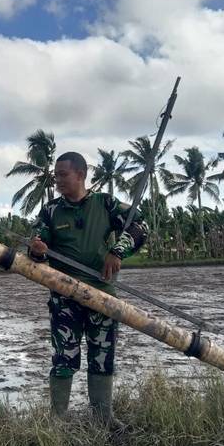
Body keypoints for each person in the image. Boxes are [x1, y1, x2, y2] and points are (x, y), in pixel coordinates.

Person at [28, 152, 148, 425]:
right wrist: (36, 251)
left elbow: (141, 225)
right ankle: (57, 420)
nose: (57, 180)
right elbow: (35, 248)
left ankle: (103, 417)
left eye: (62, 175)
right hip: (65, 297)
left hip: (102, 296)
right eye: (55, 175)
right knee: (64, 357)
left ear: (80, 175)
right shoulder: (50, 211)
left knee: (103, 355)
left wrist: (117, 252)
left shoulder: (106, 203)